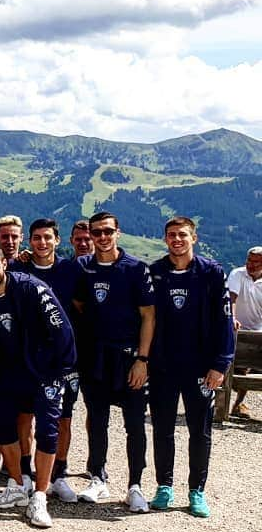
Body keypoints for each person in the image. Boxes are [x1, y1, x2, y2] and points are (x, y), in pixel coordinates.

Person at [0, 245, 76, 528]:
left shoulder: (32, 288)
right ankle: (16, 485)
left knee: (47, 431)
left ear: (5, 263)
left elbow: (62, 329)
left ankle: (39, 496)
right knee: (4, 428)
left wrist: (60, 370)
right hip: (5, 374)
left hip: (43, 372)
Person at [148, 218, 234, 517]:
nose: (177, 240)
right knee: (162, 429)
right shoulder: (156, 271)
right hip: (163, 367)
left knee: (200, 431)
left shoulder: (211, 272)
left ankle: (197, 490)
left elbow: (225, 320)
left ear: (194, 238)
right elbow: (147, 319)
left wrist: (220, 363)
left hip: (200, 368)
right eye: (171, 235)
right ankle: (164, 486)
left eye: (182, 235)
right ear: (165, 239)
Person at [73, 212, 155, 512]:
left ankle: (135, 485)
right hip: (95, 358)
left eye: (108, 231)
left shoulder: (135, 269)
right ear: (90, 235)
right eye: (97, 233)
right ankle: (98, 477)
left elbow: (149, 316)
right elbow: (80, 304)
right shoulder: (84, 269)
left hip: (130, 358)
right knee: (97, 422)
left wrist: (142, 359)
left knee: (135, 424)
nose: (102, 237)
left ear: (118, 232)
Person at [19, 219, 86, 503]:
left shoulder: (71, 270)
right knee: (24, 416)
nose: (42, 243)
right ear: (30, 242)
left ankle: (58, 475)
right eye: (36, 238)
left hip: (61, 359)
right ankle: (25, 474)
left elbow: (83, 309)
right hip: (26, 356)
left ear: (57, 240)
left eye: (47, 237)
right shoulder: (20, 269)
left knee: (63, 419)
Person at [226, 246, 262, 419]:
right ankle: (233, 402)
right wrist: (232, 318)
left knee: (245, 367)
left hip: (257, 329)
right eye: (249, 260)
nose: (251, 265)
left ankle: (238, 403)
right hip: (235, 327)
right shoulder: (237, 274)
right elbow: (231, 297)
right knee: (235, 365)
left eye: (256, 262)